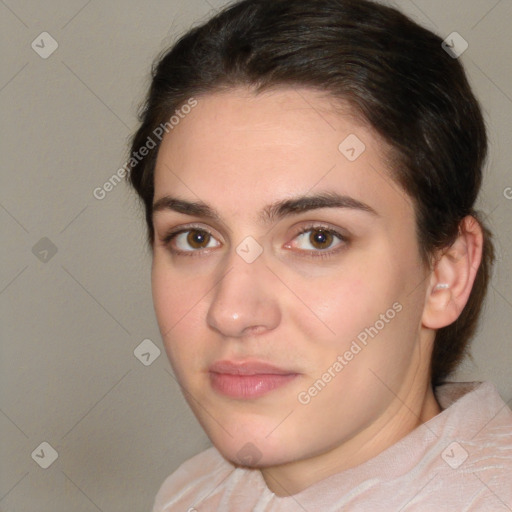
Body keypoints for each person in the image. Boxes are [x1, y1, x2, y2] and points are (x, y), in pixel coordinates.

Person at [126, 0, 512, 509]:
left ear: (445, 273)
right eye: (196, 237)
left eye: (317, 238)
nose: (232, 312)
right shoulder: (190, 494)